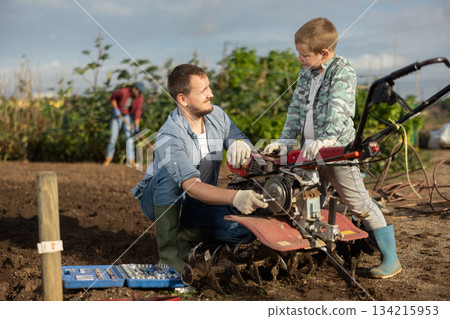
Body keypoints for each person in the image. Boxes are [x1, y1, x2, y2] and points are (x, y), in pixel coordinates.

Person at [262, 17, 402, 279]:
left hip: (337, 151)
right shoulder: (306, 73)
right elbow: (295, 109)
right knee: (306, 199)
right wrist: (284, 140)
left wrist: (328, 139)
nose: (299, 59)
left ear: (324, 53)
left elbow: (340, 106)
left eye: (304, 54)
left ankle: (390, 258)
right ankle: (316, 248)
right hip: (308, 152)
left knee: (358, 203)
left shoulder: (342, 70)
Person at [131, 64, 268, 274]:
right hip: (161, 201)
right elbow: (191, 186)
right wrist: (235, 197)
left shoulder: (217, 116)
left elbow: (237, 136)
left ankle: (186, 235)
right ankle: (168, 255)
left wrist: (239, 145)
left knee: (245, 229)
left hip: (198, 200)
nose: (211, 94)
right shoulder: (170, 136)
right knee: (170, 171)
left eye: (209, 88)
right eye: (203, 91)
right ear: (183, 99)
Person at [103, 82, 146, 167]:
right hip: (117, 114)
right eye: (139, 91)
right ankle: (108, 159)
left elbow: (138, 111)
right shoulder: (123, 92)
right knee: (113, 137)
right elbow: (113, 98)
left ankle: (131, 160)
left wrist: (137, 126)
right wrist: (116, 109)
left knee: (129, 137)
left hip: (128, 115)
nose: (140, 94)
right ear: (134, 89)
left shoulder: (139, 98)